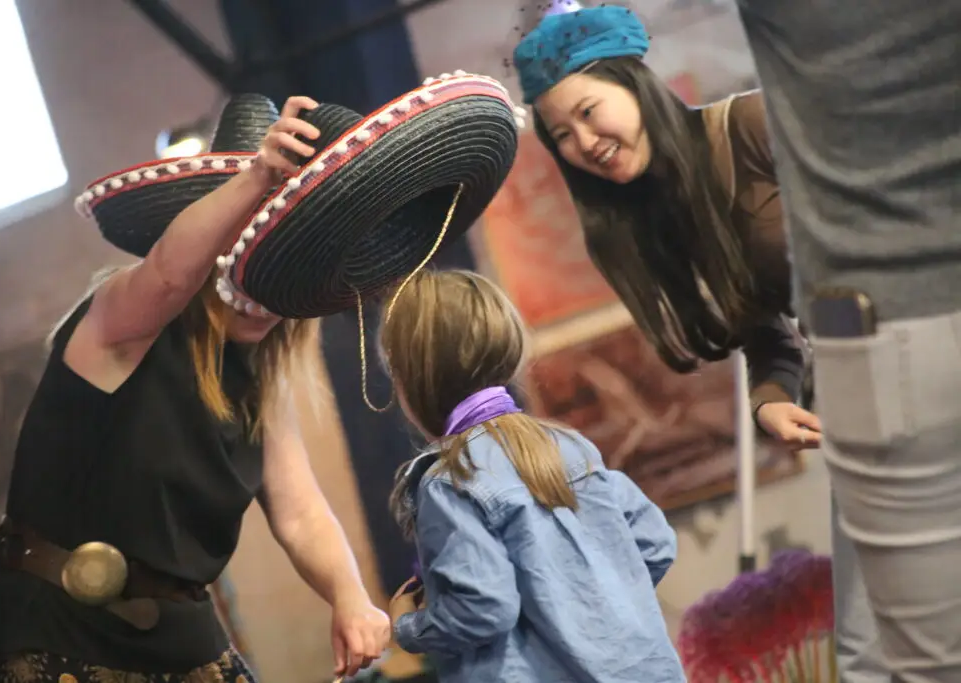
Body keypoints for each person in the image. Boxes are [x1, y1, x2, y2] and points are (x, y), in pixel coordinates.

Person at [511, 6, 887, 680]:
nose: (584, 142)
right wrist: (770, 398)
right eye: (561, 135)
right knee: (870, 641)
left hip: (924, 349)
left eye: (589, 112)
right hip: (863, 407)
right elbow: (764, 328)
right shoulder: (663, 213)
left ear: (636, 85)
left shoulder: (754, 125)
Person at [0, 94, 390, 683]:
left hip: (175, 633)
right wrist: (259, 179)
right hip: (51, 622)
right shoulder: (121, 319)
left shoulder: (260, 380)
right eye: (246, 246)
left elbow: (300, 514)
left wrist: (350, 597)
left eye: (284, 260)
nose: (263, 283)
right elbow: (168, 276)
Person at [732, 1, 961, 681]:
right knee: (876, 644)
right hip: (867, 347)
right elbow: (757, 316)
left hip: (886, 331)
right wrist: (769, 390)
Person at [381, 268, 686, 683]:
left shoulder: (451, 481)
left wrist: (407, 626)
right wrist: (587, 611)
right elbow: (654, 543)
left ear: (413, 380)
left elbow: (484, 608)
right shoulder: (569, 445)